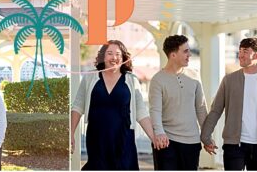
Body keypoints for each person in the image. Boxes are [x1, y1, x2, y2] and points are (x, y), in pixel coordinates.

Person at [201, 38, 257, 171]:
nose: (240, 55)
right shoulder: (229, 80)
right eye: (240, 50)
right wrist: (206, 136)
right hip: (234, 145)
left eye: (245, 51)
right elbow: (216, 110)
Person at [70, 40, 157, 170]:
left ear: (123, 58)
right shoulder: (90, 77)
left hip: (124, 138)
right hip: (97, 138)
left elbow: (141, 112)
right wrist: (70, 133)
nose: (114, 58)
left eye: (118, 54)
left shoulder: (131, 80)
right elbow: (77, 106)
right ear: (103, 56)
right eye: (109, 53)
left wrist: (153, 137)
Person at [148, 35, 207, 170]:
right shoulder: (158, 80)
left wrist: (206, 136)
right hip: (167, 141)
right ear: (173, 55)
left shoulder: (194, 75)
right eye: (185, 51)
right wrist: (160, 133)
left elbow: (201, 108)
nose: (190, 54)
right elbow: (155, 110)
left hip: (192, 141)